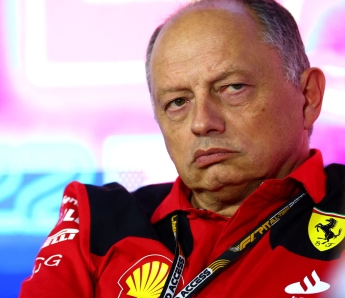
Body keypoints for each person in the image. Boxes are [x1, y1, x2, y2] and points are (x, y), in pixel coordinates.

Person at [19, 0, 345, 297]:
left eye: (232, 87)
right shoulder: (98, 221)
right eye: (177, 102)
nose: (202, 122)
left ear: (309, 95)